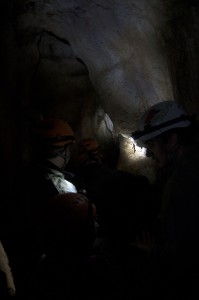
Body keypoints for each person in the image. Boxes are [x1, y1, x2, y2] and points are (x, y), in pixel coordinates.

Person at [4, 118, 97, 298]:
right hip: (61, 269)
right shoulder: (65, 185)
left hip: (28, 268)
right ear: (66, 149)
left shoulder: (21, 179)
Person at [131, 100, 199, 299]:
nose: (149, 154)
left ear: (171, 140)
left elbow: (184, 256)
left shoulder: (179, 184)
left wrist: (152, 252)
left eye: (151, 145)